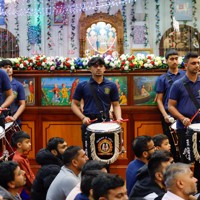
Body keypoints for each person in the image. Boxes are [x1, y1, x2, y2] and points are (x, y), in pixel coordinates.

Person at [71, 57, 122, 155]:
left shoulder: (111, 85)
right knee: (89, 154)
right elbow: (73, 104)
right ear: (90, 68)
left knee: (106, 153)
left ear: (104, 69)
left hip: (106, 123)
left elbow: (116, 105)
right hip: (89, 123)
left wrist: (119, 118)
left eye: (101, 66)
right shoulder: (82, 85)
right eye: (95, 66)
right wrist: (83, 117)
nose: (98, 68)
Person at [168, 52, 200, 192]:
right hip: (185, 128)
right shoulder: (177, 84)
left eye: (198, 63)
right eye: (193, 63)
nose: (197, 65)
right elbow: (170, 106)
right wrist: (182, 118)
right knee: (186, 160)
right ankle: (185, 190)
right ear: (186, 65)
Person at [156, 49, 185, 162]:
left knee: (184, 143)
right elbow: (159, 100)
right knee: (171, 145)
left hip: (183, 115)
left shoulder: (184, 75)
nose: (174, 61)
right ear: (166, 61)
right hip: (169, 116)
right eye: (171, 59)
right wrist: (165, 115)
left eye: (176, 58)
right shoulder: (162, 78)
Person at [0, 59, 25, 126]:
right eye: (5, 67)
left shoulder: (18, 85)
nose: (8, 69)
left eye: (10, 67)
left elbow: (22, 104)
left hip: (14, 119)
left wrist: (14, 117)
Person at [11, 131, 35, 199]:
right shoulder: (19, 159)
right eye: (27, 142)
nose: (30, 144)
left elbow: (30, 174)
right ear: (19, 145)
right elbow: (27, 178)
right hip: (23, 191)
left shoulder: (22, 157)